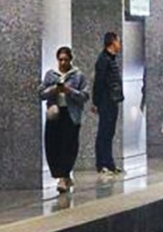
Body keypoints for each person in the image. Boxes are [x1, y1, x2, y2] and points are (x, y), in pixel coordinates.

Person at [41, 47, 89, 193]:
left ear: (70, 60)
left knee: (68, 145)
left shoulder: (78, 76)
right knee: (53, 145)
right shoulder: (51, 75)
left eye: (65, 60)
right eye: (60, 60)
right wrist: (53, 90)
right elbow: (41, 93)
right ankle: (62, 175)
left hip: (71, 114)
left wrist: (69, 91)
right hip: (55, 113)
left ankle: (63, 177)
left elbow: (84, 96)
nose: (62, 63)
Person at [92, 31, 124, 175]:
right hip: (106, 100)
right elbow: (98, 82)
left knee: (109, 132)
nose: (120, 44)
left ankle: (109, 163)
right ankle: (102, 164)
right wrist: (96, 102)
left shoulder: (111, 59)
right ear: (112, 42)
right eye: (118, 41)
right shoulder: (103, 60)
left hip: (112, 100)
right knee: (104, 132)